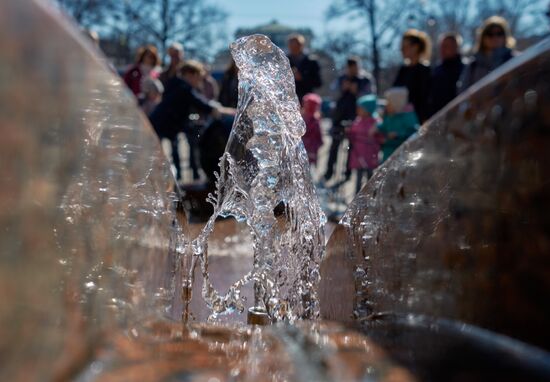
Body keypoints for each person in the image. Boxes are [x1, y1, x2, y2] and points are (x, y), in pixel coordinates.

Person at [149, 61, 232, 181]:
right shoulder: (184, 87)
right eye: (197, 78)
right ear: (190, 74)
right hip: (161, 125)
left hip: (156, 123)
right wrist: (221, 110)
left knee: (154, 158)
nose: (198, 82)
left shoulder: (174, 83)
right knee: (154, 159)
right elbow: (202, 104)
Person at [324, 57, 375, 181]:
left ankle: (347, 173)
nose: (352, 70)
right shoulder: (341, 78)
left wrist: (357, 92)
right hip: (339, 115)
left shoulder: (365, 79)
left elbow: (370, 98)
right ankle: (329, 171)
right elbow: (332, 94)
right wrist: (343, 89)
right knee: (334, 144)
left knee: (352, 147)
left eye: (354, 67)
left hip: (356, 117)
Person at [459, 16, 517, 91]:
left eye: (499, 33)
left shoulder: (515, 59)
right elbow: (463, 93)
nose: (495, 37)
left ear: (505, 36)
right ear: (482, 37)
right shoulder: (473, 65)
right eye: (490, 34)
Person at [393, 29, 432, 124]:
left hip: (417, 121)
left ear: (416, 47)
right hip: (401, 120)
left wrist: (424, 121)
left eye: (405, 46)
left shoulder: (424, 70)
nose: (401, 50)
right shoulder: (403, 70)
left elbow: (426, 98)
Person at [346, 94, 382, 193]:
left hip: (370, 155)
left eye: (360, 108)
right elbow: (353, 132)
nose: (357, 110)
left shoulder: (376, 122)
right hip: (358, 154)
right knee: (358, 177)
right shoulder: (358, 120)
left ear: (368, 109)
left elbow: (380, 136)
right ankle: (357, 195)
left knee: (370, 177)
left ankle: (370, 195)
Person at [428, 33, 465, 117]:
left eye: (446, 46)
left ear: (456, 47)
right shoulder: (437, 70)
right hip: (437, 119)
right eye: (441, 46)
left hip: (457, 117)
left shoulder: (465, 68)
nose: (443, 49)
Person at [379, 87, 419, 162]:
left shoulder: (408, 117)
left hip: (402, 152)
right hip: (388, 151)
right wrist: (377, 127)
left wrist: (398, 135)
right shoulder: (389, 116)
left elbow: (414, 132)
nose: (386, 105)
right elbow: (384, 127)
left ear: (396, 103)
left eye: (389, 103)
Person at [287, 34, 322, 103]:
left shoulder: (311, 62)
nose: (293, 49)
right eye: (291, 46)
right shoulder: (285, 60)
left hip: (306, 99)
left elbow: (318, 82)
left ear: (301, 46)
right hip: (289, 99)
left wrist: (302, 78)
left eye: (295, 46)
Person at [301, 93, 324, 166]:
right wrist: (320, 142)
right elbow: (319, 134)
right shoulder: (315, 120)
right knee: (310, 166)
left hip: (302, 146)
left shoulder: (301, 118)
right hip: (312, 148)